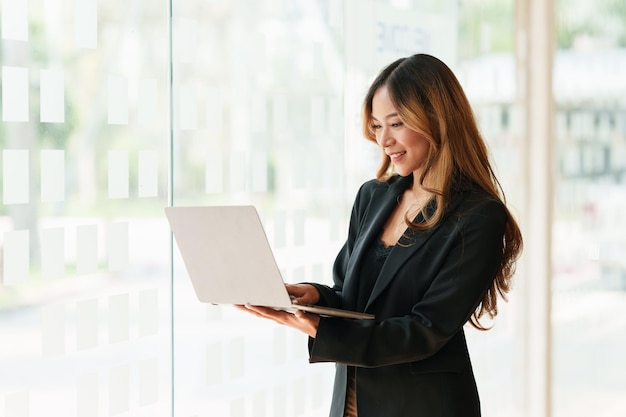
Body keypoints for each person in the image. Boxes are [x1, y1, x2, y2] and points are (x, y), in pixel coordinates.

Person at [238, 53, 523, 417]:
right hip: (352, 403)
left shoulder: (478, 216)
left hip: (424, 406)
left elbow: (427, 330)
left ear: (437, 118)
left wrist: (322, 329)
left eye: (396, 123)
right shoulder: (372, 196)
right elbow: (354, 299)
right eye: (376, 126)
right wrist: (315, 297)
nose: (383, 140)